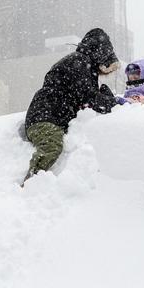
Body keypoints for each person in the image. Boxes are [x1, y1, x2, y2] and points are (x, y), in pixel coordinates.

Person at [22, 28, 119, 185]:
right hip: (44, 119)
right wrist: (114, 104)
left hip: (48, 116)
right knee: (52, 146)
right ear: (100, 55)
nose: (104, 71)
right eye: (105, 66)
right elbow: (89, 98)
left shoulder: (80, 62)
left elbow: (84, 97)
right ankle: (28, 186)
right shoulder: (80, 63)